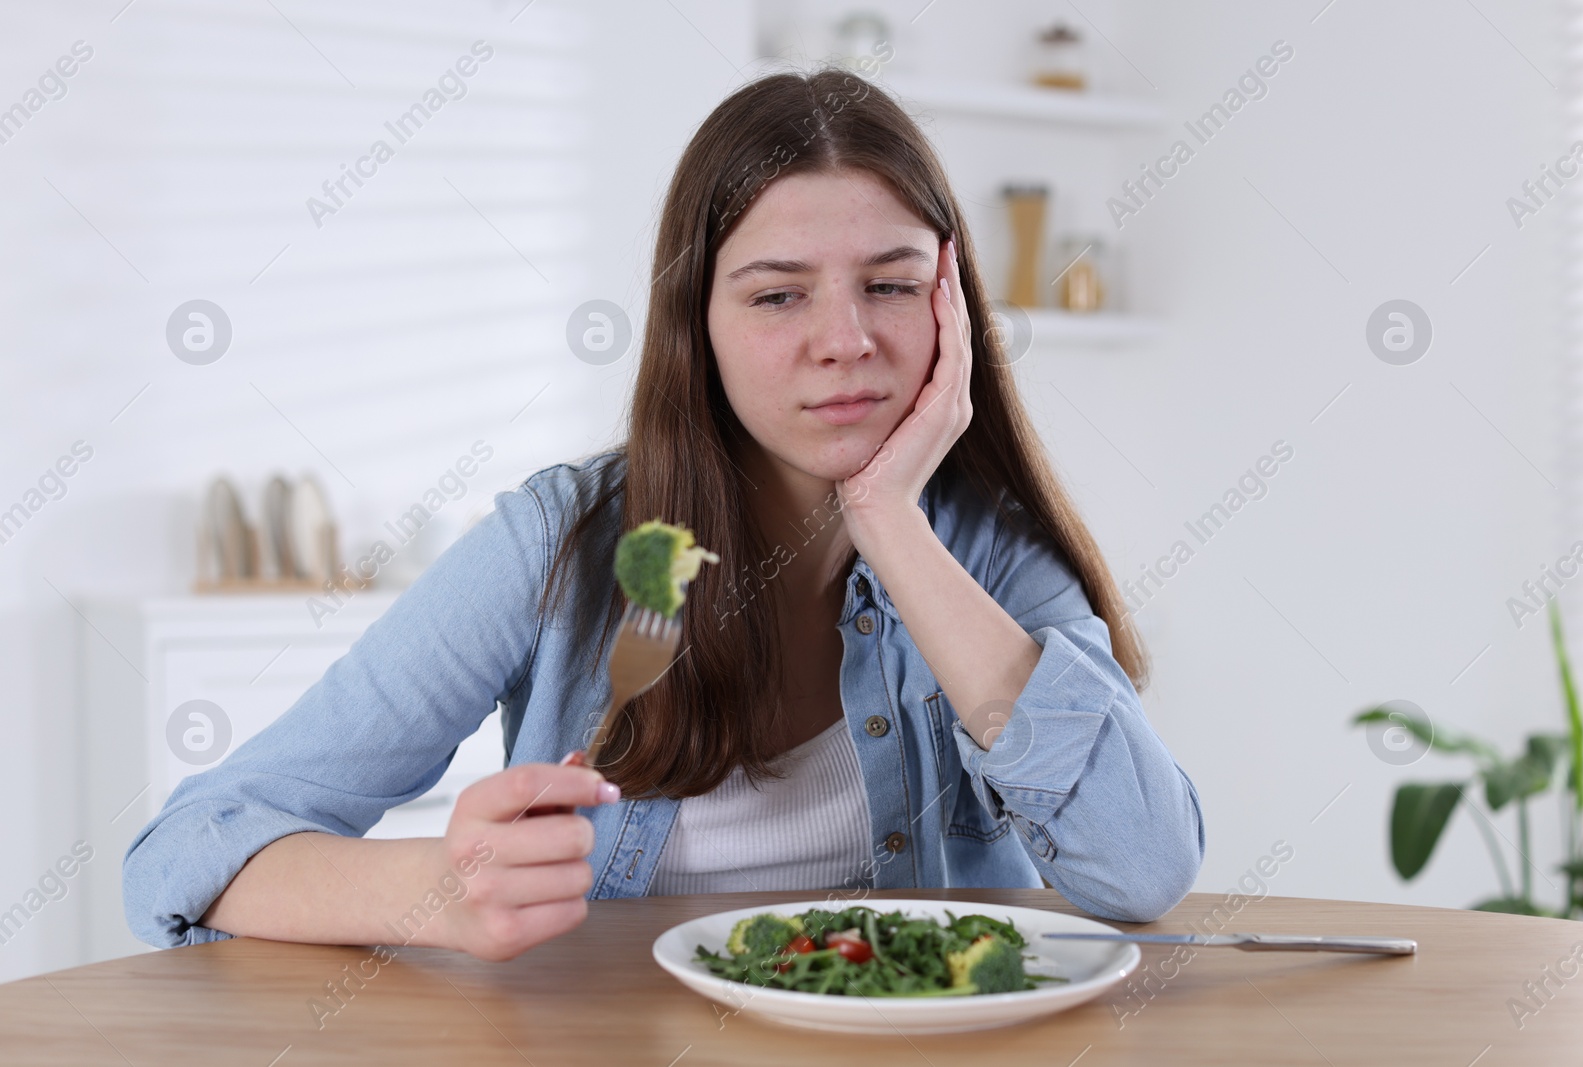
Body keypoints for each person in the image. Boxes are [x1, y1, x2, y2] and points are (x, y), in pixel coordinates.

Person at [124, 68, 1204, 962]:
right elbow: (183, 851)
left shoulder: (985, 553)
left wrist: (889, 520)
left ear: (950, 307)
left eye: (890, 284)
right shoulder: (562, 543)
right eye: (778, 294)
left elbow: (1142, 869)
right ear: (698, 322)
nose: (846, 339)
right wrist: (430, 887)